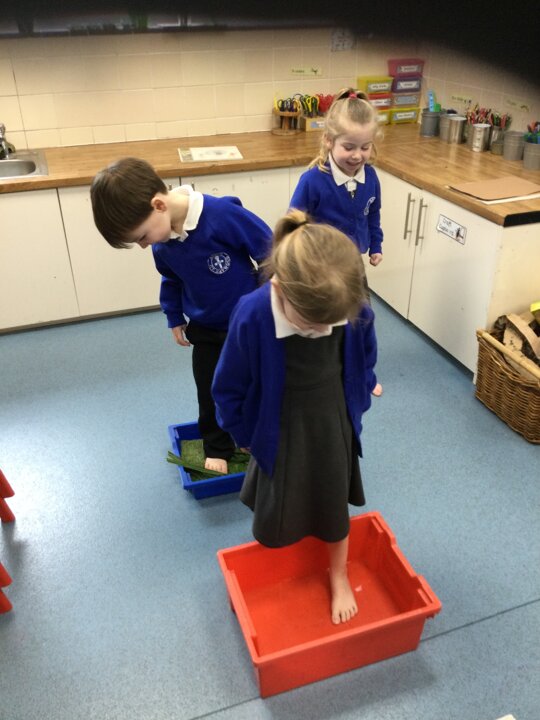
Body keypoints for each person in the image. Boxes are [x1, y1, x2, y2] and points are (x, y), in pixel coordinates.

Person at [212, 209, 378, 625]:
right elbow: (228, 386)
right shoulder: (253, 313)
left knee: (333, 500)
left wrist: (360, 399)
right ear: (278, 288)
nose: (323, 331)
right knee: (281, 495)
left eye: (331, 324)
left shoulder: (352, 305)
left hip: (330, 417)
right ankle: (282, 554)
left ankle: (338, 573)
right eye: (312, 323)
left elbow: (365, 357)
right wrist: (243, 434)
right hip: (277, 422)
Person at [91, 157, 272, 474]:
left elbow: (270, 250)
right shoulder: (162, 243)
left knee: (257, 383)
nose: (144, 246)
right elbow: (171, 279)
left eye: (142, 237)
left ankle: (258, 435)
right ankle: (218, 447)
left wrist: (269, 298)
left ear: (159, 205)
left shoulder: (221, 214)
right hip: (205, 329)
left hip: (249, 326)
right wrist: (174, 316)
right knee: (211, 390)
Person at [290, 88, 384, 396]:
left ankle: (364, 375)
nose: (357, 155)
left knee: (362, 320)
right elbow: (294, 224)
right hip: (321, 268)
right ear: (329, 141)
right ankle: (328, 373)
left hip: (353, 265)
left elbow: (373, 214)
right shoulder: (312, 181)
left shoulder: (371, 177)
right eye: (349, 147)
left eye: (365, 147)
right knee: (325, 323)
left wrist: (376, 245)